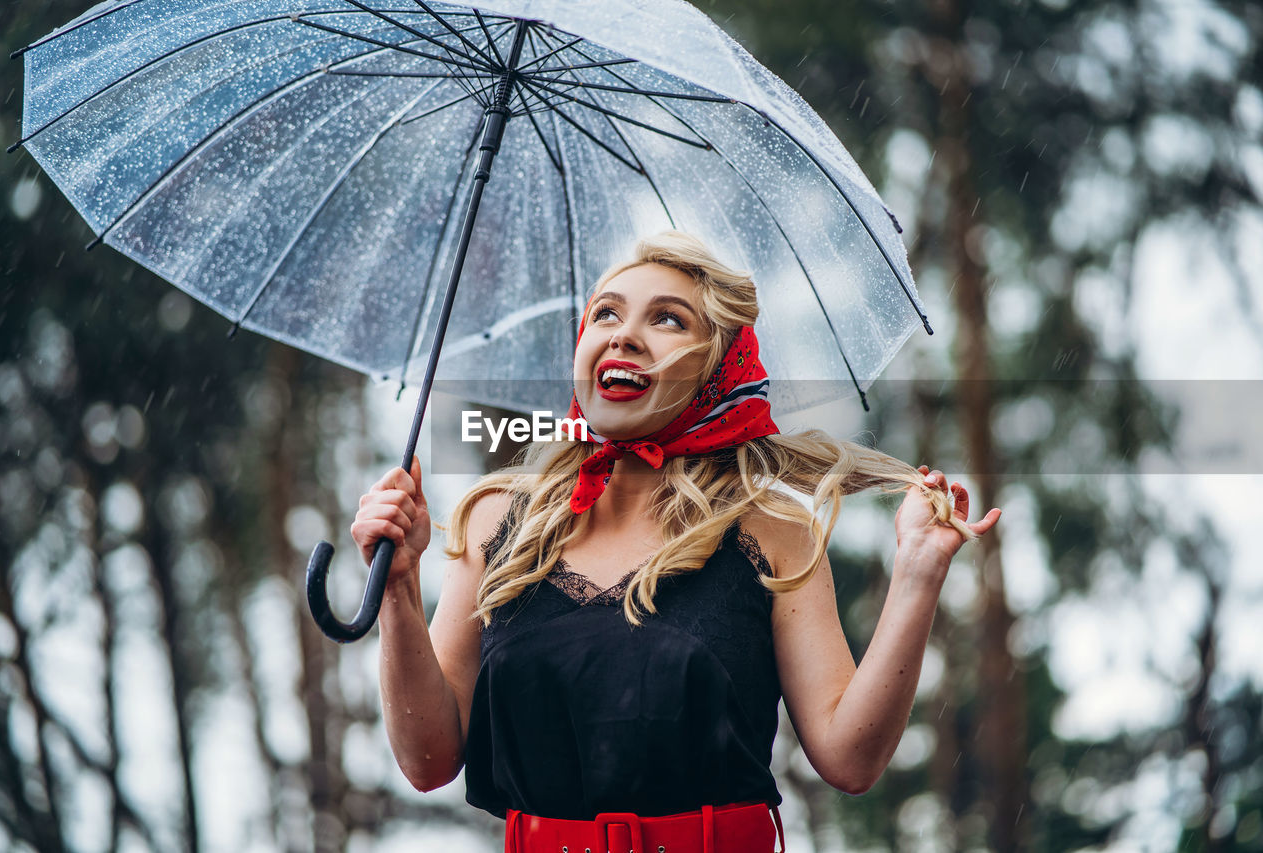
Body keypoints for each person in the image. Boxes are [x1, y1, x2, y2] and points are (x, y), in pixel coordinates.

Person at [351, 232, 1001, 853]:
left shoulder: (775, 533)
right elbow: (428, 759)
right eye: (605, 313)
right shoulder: (498, 524)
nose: (623, 333)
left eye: (667, 320)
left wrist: (917, 574)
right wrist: (398, 592)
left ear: (719, 369)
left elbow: (850, 758)